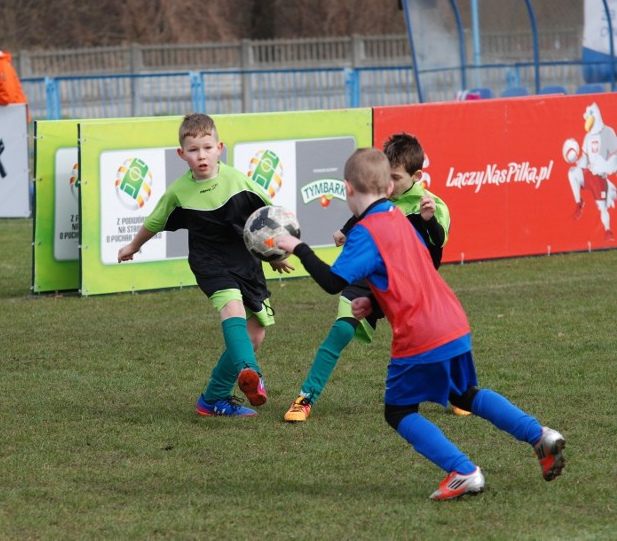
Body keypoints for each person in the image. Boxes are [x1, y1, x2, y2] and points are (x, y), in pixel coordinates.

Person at [276, 148, 566, 500]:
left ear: (348, 189)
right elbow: (413, 269)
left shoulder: (366, 231)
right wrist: (376, 302)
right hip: (452, 320)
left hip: (421, 332)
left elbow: (333, 282)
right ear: (387, 185)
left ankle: (463, 471)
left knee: (398, 411)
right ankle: (540, 436)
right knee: (465, 394)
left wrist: (297, 246)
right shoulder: (398, 216)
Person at [118, 113, 293, 417]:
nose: (201, 155)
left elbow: (268, 217)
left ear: (219, 147)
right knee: (232, 308)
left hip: (246, 263)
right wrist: (133, 246)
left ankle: (213, 398)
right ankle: (251, 372)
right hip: (209, 264)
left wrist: (275, 255)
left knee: (255, 334)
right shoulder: (178, 192)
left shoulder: (238, 180)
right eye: (194, 150)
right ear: (181, 154)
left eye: (207, 148)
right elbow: (154, 223)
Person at [284, 133, 461, 422]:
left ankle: (455, 391)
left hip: (404, 286)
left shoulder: (431, 205)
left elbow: (436, 247)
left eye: (394, 178)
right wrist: (345, 230)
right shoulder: (382, 198)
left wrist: (429, 223)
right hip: (366, 279)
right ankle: (306, 398)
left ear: (416, 176)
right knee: (340, 331)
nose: (388, 187)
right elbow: (366, 214)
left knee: (422, 341)